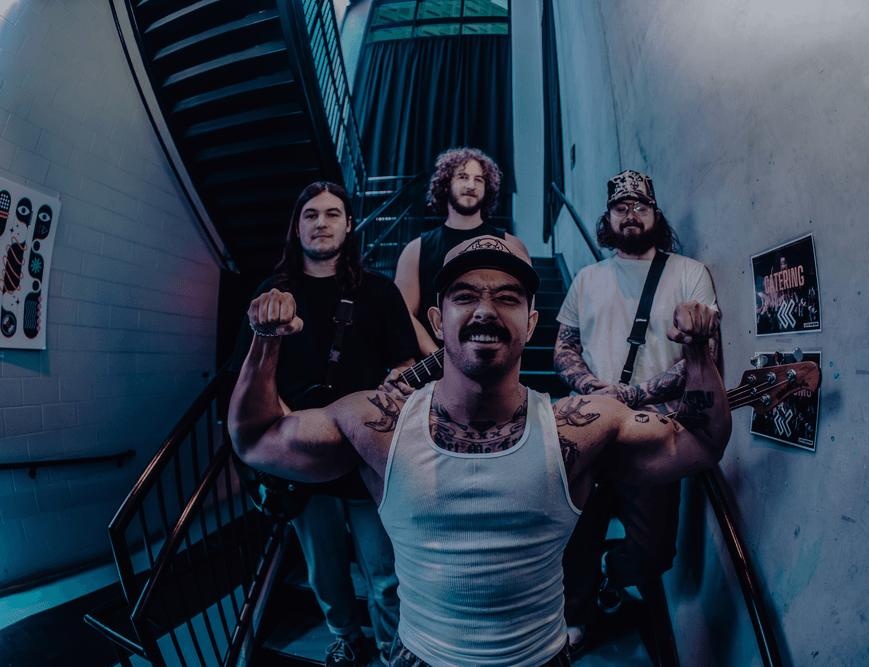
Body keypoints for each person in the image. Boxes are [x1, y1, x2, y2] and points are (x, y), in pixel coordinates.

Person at [229, 235, 732, 666]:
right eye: (465, 296)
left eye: (507, 298)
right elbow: (255, 439)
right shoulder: (380, 424)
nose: (486, 310)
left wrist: (696, 351)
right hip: (420, 657)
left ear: (531, 324)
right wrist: (264, 343)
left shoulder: (576, 428)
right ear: (437, 319)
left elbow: (699, 442)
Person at [229, 181, 419, 666]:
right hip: (300, 456)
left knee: (386, 573)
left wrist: (399, 381)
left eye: (333, 213)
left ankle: (392, 649)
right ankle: (346, 636)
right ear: (297, 227)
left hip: (366, 455)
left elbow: (405, 360)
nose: (321, 223)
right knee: (325, 572)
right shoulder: (272, 295)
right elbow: (247, 378)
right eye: (310, 214)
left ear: (349, 225)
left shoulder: (378, 290)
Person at [553, 169, 722, 653]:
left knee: (654, 552)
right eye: (621, 207)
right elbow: (563, 347)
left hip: (654, 432)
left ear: (655, 214)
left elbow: (703, 355)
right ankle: (577, 615)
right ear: (607, 217)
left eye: (641, 206)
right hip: (591, 429)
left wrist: (632, 394)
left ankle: (614, 572)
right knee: (578, 535)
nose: (631, 214)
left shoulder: (688, 273)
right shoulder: (587, 279)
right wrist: (593, 388)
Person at [395, 147, 529, 357]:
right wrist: (440, 358)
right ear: (445, 183)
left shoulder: (512, 246)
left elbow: (522, 313)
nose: (471, 185)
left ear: (487, 188)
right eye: (463, 177)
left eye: (479, 180)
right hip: (433, 367)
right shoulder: (415, 250)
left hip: (494, 361)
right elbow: (402, 314)